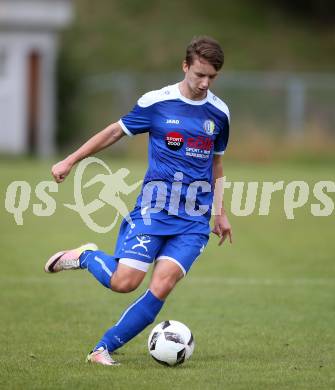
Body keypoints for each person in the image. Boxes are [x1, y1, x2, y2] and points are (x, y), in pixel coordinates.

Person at [45, 36, 232, 366]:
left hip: (193, 220)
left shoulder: (219, 113)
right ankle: (86, 255)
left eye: (212, 77)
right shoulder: (156, 102)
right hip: (153, 209)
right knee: (124, 282)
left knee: (162, 285)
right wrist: (70, 160)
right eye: (199, 74)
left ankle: (101, 349)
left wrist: (220, 212)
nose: (204, 83)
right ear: (185, 66)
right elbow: (114, 132)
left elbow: (216, 163)